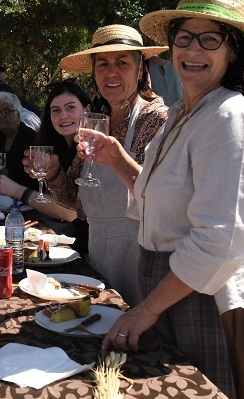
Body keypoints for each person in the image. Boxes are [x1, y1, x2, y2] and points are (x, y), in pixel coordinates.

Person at [91, 0, 244, 398]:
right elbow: (156, 200)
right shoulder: (183, 113)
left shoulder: (231, 118)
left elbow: (221, 240)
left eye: (209, 39)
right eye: (184, 37)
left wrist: (145, 309)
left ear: (233, 50)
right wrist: (116, 159)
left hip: (215, 299)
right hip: (175, 290)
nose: (193, 49)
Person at [45, 24, 169, 305]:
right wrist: (53, 173)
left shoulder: (158, 120)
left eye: (122, 63)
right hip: (100, 264)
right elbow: (74, 204)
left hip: (144, 267)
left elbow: (165, 202)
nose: (111, 72)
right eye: (102, 64)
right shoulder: (97, 123)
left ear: (140, 70)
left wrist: (119, 162)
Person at [0, 81, 91, 254]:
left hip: (85, 245)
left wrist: (18, 191)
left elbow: (70, 212)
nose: (63, 115)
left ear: (87, 110)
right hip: (61, 235)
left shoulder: (90, 151)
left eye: (70, 107)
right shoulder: (53, 146)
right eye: (56, 110)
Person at [0, 92, 38, 190]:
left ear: (18, 115)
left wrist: (5, 172)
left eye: (6, 112)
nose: (0, 116)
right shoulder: (1, 135)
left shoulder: (29, 137)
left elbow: (33, 177)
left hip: (25, 196)